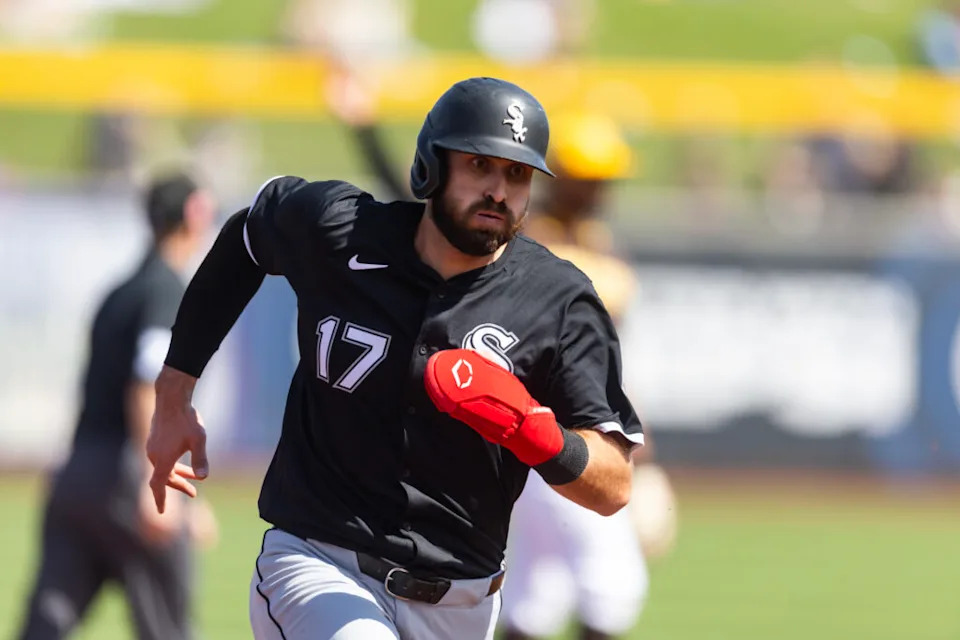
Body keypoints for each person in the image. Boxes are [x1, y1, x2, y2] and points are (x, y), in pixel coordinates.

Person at [145, 76, 644, 640]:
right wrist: (174, 392)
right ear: (431, 166)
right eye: (480, 165)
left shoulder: (559, 299)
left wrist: (536, 434)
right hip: (319, 564)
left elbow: (614, 484)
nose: (499, 191)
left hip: (463, 603)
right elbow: (249, 236)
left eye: (518, 174)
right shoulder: (342, 229)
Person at [17, 171, 219, 640]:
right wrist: (157, 481)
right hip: (127, 481)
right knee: (168, 631)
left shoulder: (118, 293)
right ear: (193, 216)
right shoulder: (165, 289)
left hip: (77, 477)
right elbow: (146, 384)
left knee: (44, 627)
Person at [499, 111, 672, 640]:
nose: (601, 190)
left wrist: (644, 447)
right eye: (590, 179)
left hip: (560, 432)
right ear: (562, 179)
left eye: (604, 180)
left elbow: (613, 365)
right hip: (554, 430)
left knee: (537, 592)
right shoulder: (533, 245)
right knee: (613, 585)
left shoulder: (593, 242)